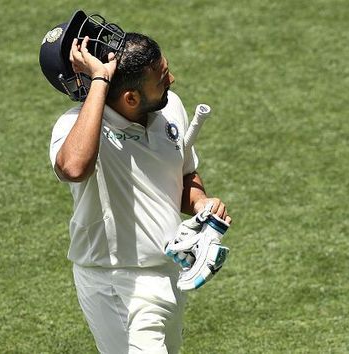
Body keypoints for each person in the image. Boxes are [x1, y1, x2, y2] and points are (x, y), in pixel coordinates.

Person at [49, 31, 231, 353]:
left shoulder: (170, 106)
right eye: (162, 79)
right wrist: (100, 82)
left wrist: (202, 203)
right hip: (117, 283)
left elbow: (184, 173)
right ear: (131, 98)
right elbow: (74, 168)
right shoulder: (76, 126)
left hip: (169, 273)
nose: (172, 80)